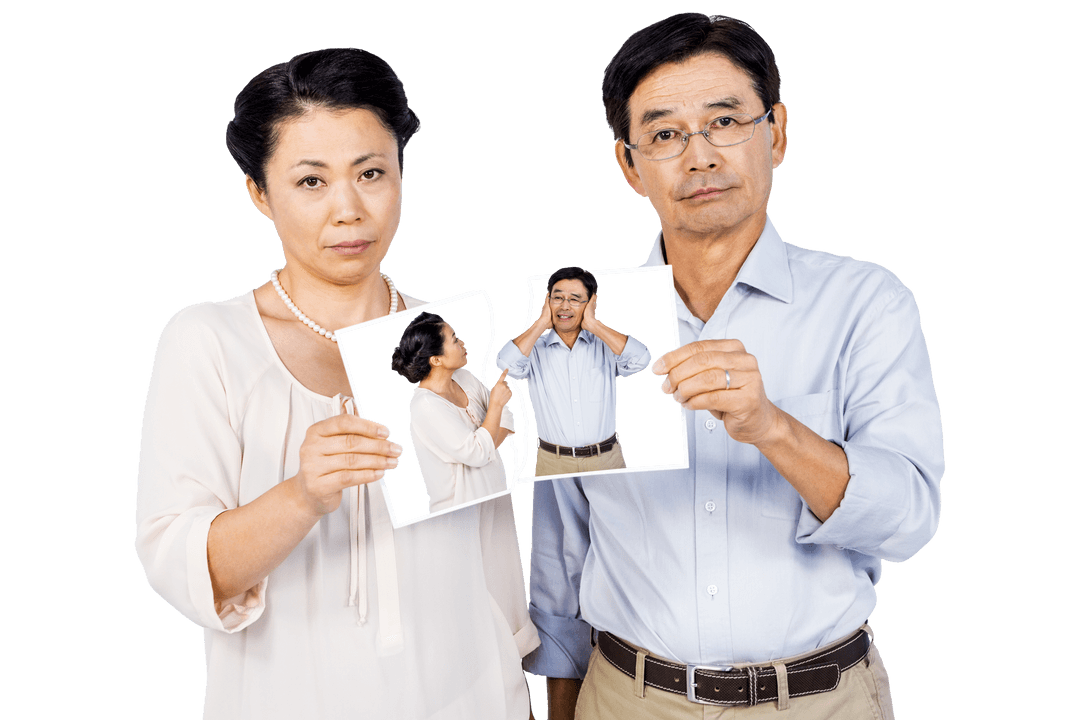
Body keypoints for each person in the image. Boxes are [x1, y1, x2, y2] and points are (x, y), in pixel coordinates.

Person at [524, 14, 944, 720]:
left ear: (776, 133)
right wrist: (562, 703)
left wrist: (772, 427)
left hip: (821, 701)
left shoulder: (867, 301)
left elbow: (909, 523)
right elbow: (561, 539)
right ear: (630, 166)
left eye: (725, 122)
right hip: (625, 698)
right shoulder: (579, 320)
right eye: (664, 134)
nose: (699, 156)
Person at [134, 49, 538, 719]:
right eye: (311, 182)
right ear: (259, 192)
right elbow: (180, 564)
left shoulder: (448, 344)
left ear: (402, 176)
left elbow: (496, 563)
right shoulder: (209, 341)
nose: (348, 209)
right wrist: (300, 495)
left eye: (371, 173)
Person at [496, 267, 651, 476]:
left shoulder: (605, 345)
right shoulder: (534, 349)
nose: (565, 306)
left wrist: (594, 325)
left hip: (607, 459)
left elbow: (641, 358)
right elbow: (505, 363)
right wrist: (541, 322)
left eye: (575, 299)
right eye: (557, 298)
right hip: (553, 463)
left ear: (591, 303)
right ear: (547, 301)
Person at [391, 312, 516, 513]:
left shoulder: (464, 377)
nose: (463, 343)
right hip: (459, 512)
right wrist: (495, 404)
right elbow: (477, 453)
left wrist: (485, 447)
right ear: (436, 360)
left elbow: (506, 419)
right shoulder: (426, 405)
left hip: (495, 496)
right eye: (455, 340)